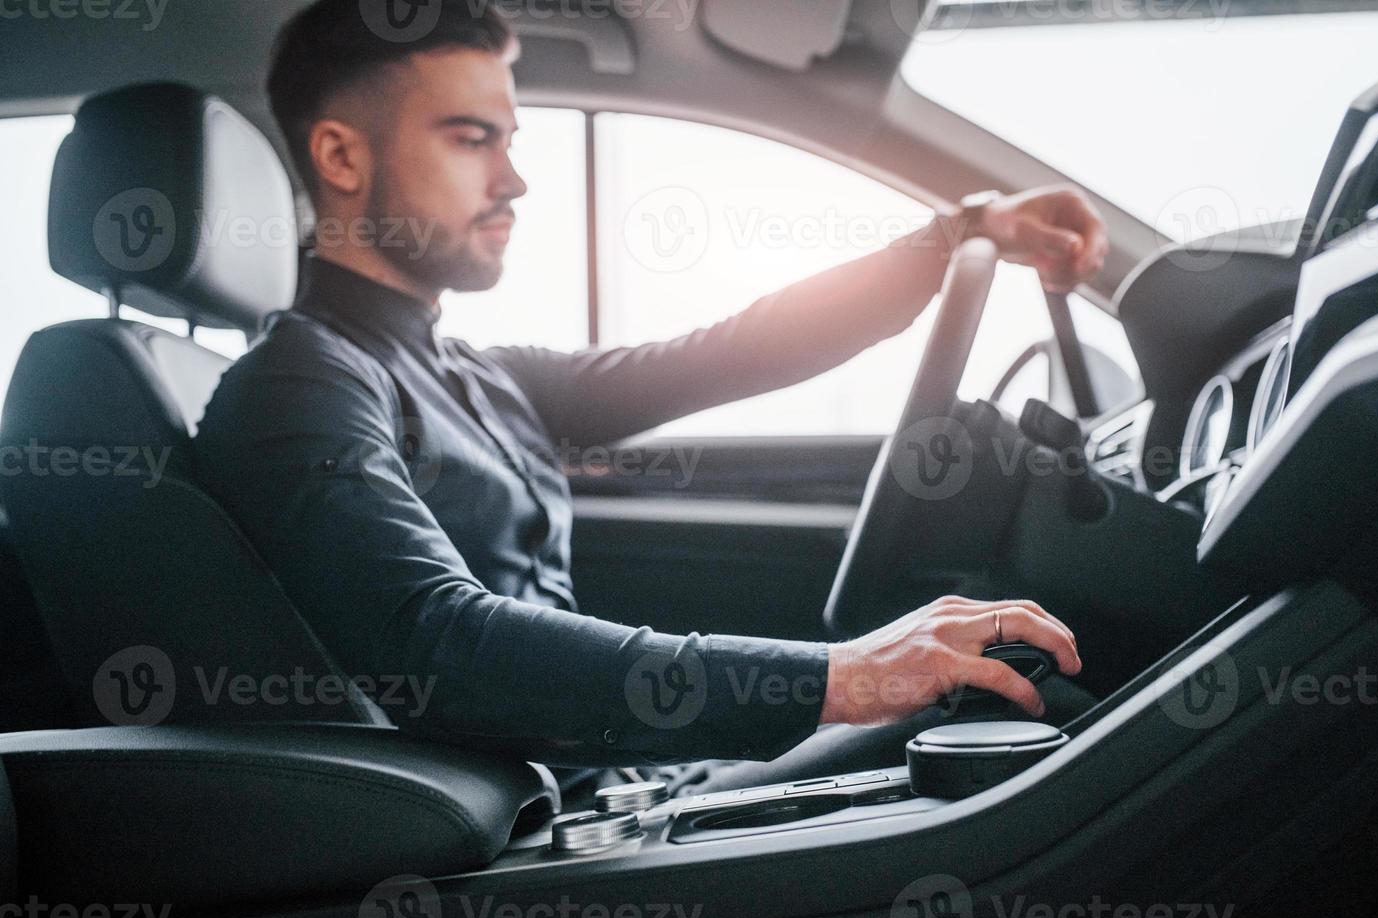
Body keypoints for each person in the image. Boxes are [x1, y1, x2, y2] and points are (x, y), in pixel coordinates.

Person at [194, 0, 1104, 794]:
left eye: (510, 141)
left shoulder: (475, 371)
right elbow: (434, 648)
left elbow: (729, 353)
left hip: (625, 782)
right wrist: (845, 675)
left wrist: (960, 232)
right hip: (538, 831)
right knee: (1017, 714)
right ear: (341, 158)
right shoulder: (297, 384)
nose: (513, 180)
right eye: (471, 139)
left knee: (1000, 699)